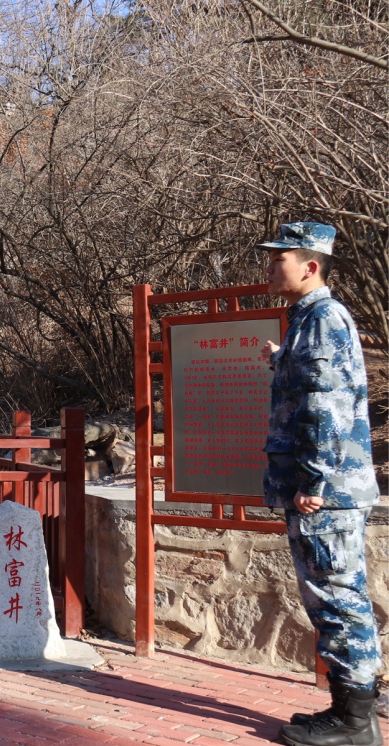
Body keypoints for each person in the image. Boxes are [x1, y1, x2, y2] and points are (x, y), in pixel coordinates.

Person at [258, 222, 382, 746]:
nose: (269, 267)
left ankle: (356, 723)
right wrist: (281, 359)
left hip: (324, 494)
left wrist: (313, 478)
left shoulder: (324, 318)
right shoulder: (309, 319)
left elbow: (326, 407)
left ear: (310, 266)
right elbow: (317, 387)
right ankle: (347, 710)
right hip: (323, 490)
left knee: (336, 597)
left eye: (279, 258)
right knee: (329, 597)